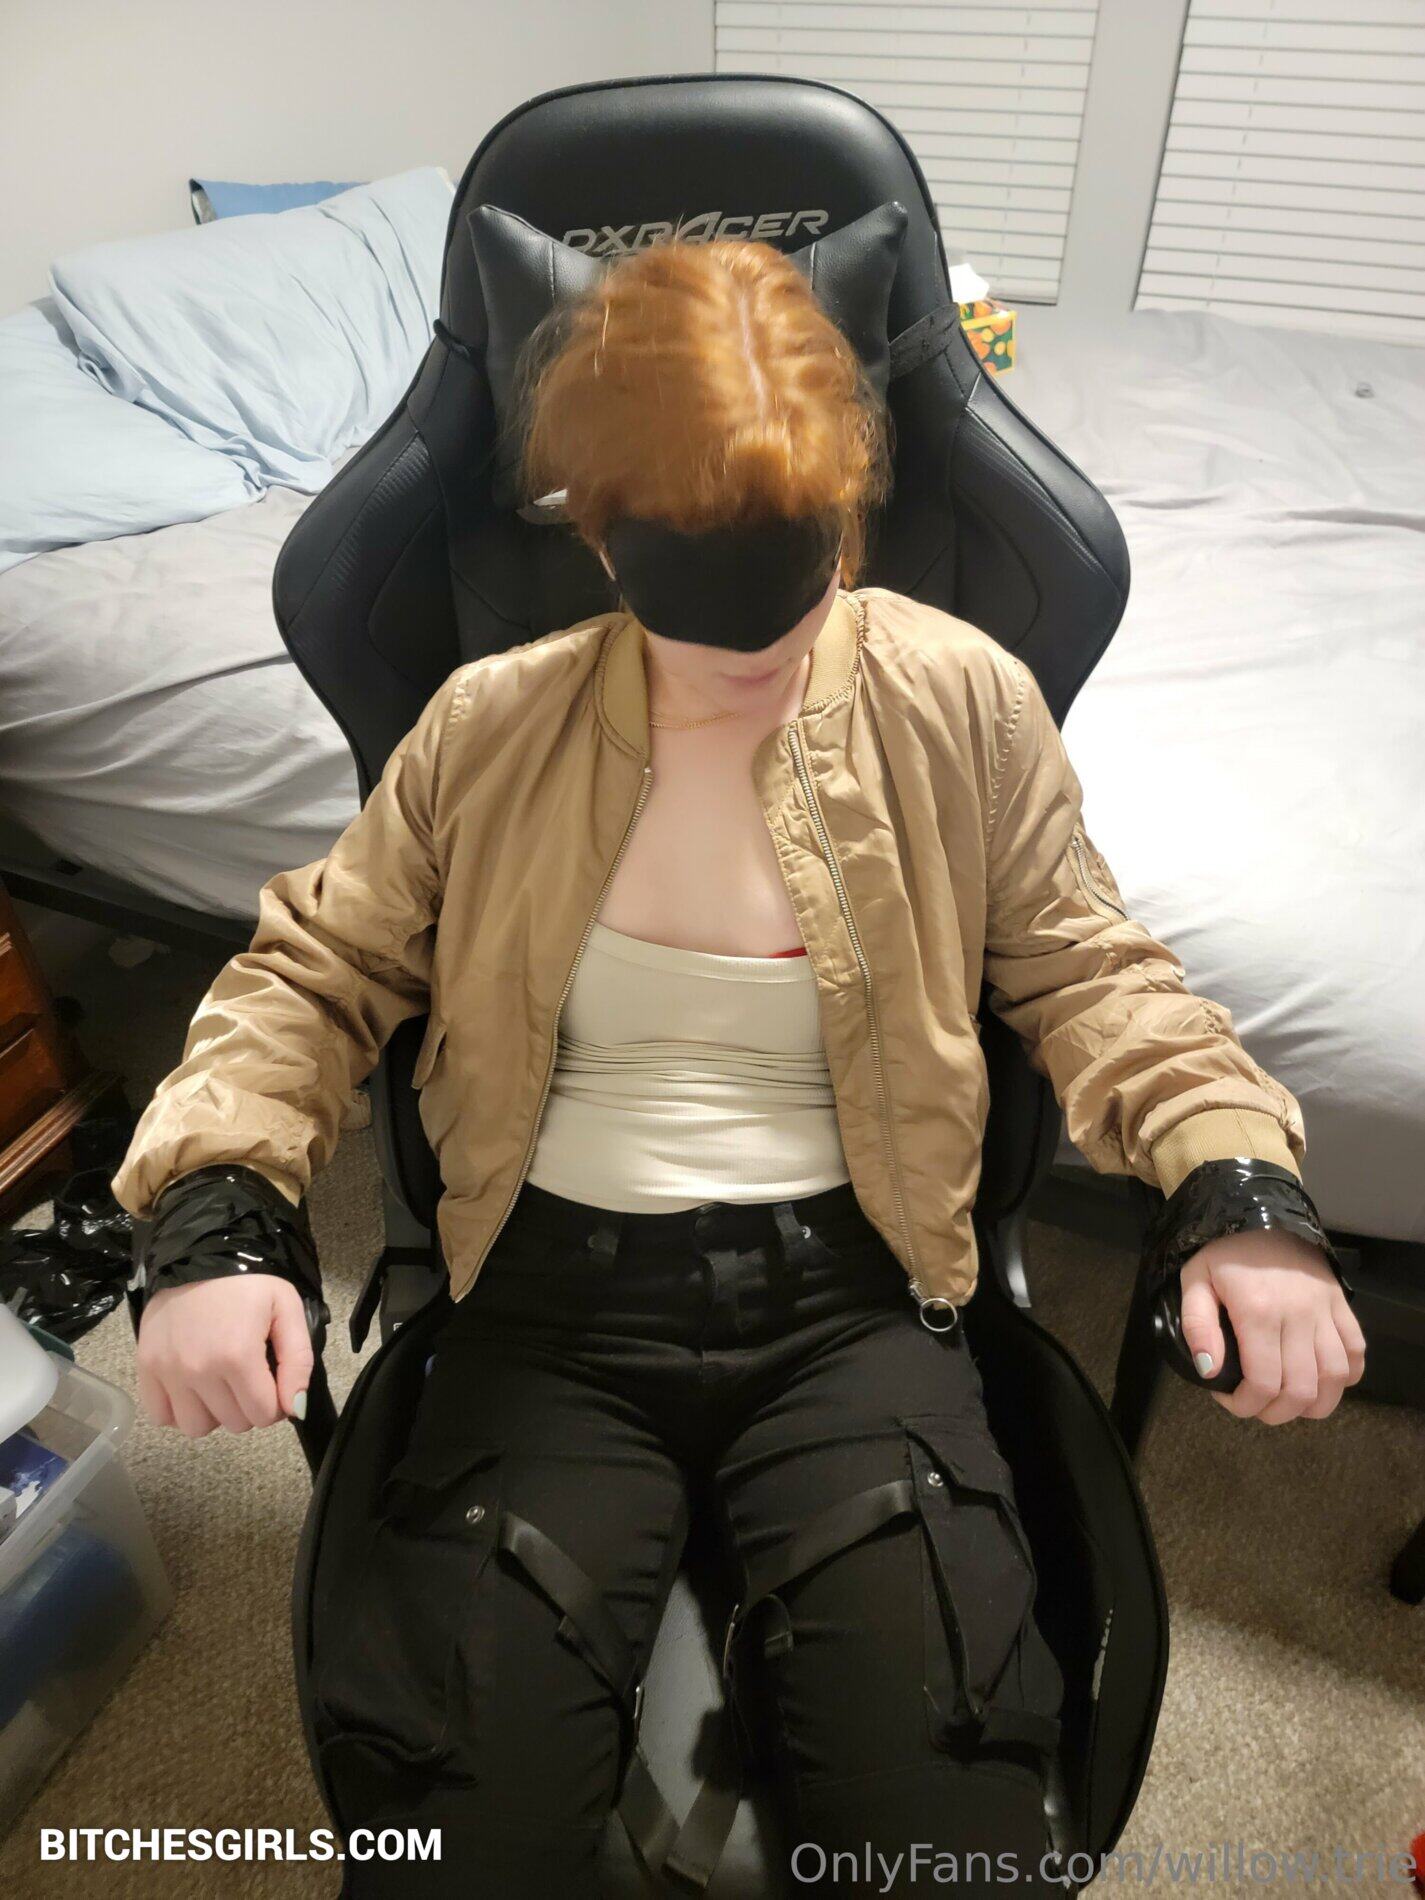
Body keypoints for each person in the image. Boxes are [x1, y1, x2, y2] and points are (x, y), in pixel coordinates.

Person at [111, 235, 1364, 1897]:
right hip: (546, 1307)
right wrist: (214, 1211)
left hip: (854, 1303)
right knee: (451, 1846)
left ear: (844, 522)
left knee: (951, 1845)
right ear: (600, 541)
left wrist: (1236, 1185)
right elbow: (313, 972)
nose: (753, 675)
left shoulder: (957, 703)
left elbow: (1090, 970)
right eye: (704, 631)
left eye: (793, 605)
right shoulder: (492, 727)